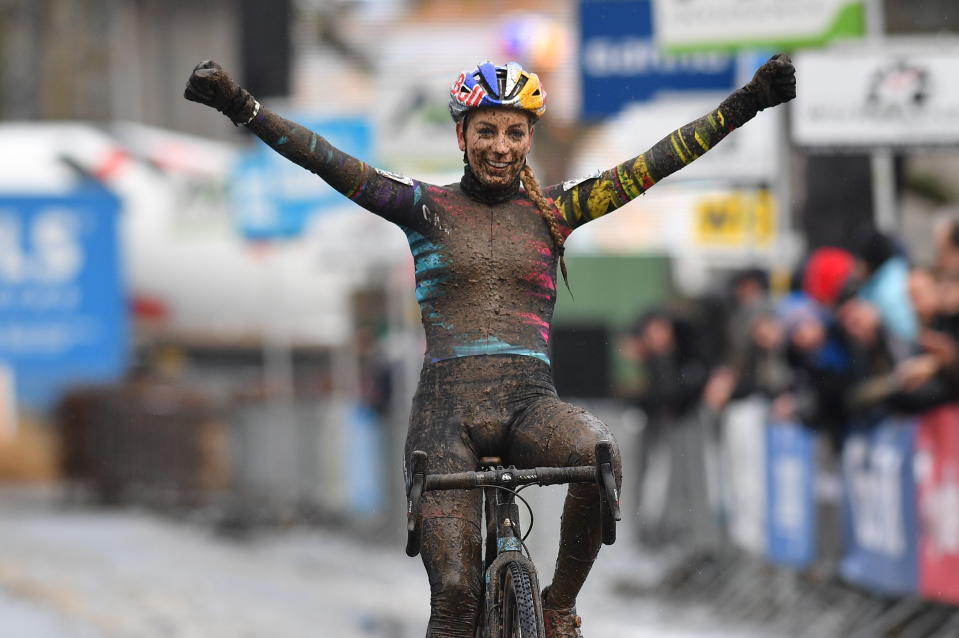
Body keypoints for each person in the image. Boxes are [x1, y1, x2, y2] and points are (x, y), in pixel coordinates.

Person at [184, 54, 796, 638]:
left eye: (515, 131)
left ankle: (558, 608)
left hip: (531, 406)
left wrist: (750, 101)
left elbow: (655, 163)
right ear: (461, 136)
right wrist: (239, 104)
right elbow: (329, 162)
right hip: (444, 418)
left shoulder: (556, 212)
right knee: (454, 596)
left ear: (529, 137)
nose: (501, 146)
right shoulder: (423, 207)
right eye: (486, 131)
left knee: (599, 453)